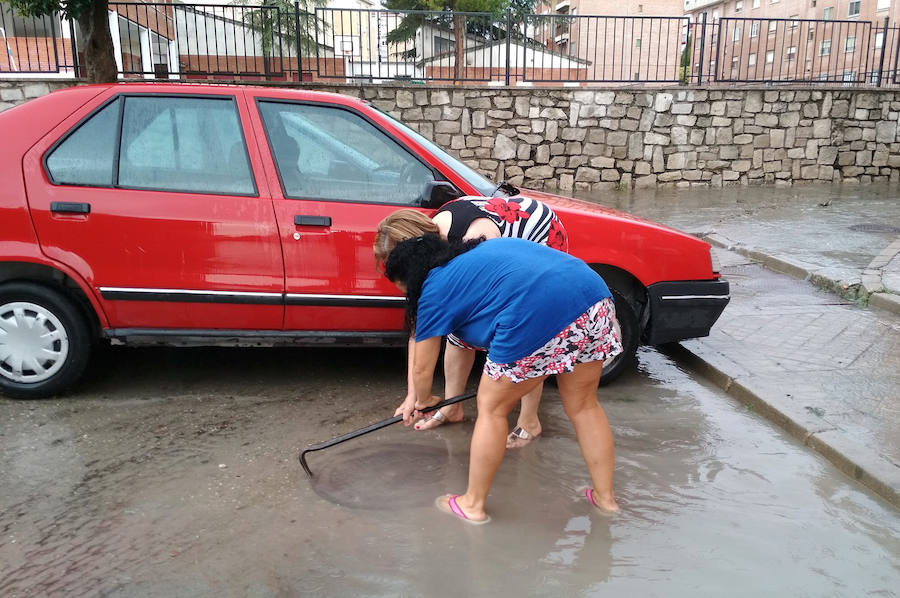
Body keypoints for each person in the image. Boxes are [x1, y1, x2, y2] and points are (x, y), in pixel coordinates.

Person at [384, 234, 622, 523]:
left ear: (413, 277)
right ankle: (605, 500)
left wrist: (423, 401)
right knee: (584, 406)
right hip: (594, 296)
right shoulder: (478, 255)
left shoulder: (433, 288)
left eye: (404, 290)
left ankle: (472, 504)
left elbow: (422, 369)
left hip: (540, 308)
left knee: (492, 408)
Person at [373, 197, 568, 449]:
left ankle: (529, 420)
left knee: (526, 334)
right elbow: (420, 329)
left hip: (535, 229)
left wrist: (423, 397)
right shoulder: (428, 250)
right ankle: (452, 408)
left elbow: (502, 295)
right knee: (458, 330)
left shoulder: (473, 241)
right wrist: (415, 395)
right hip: (479, 240)